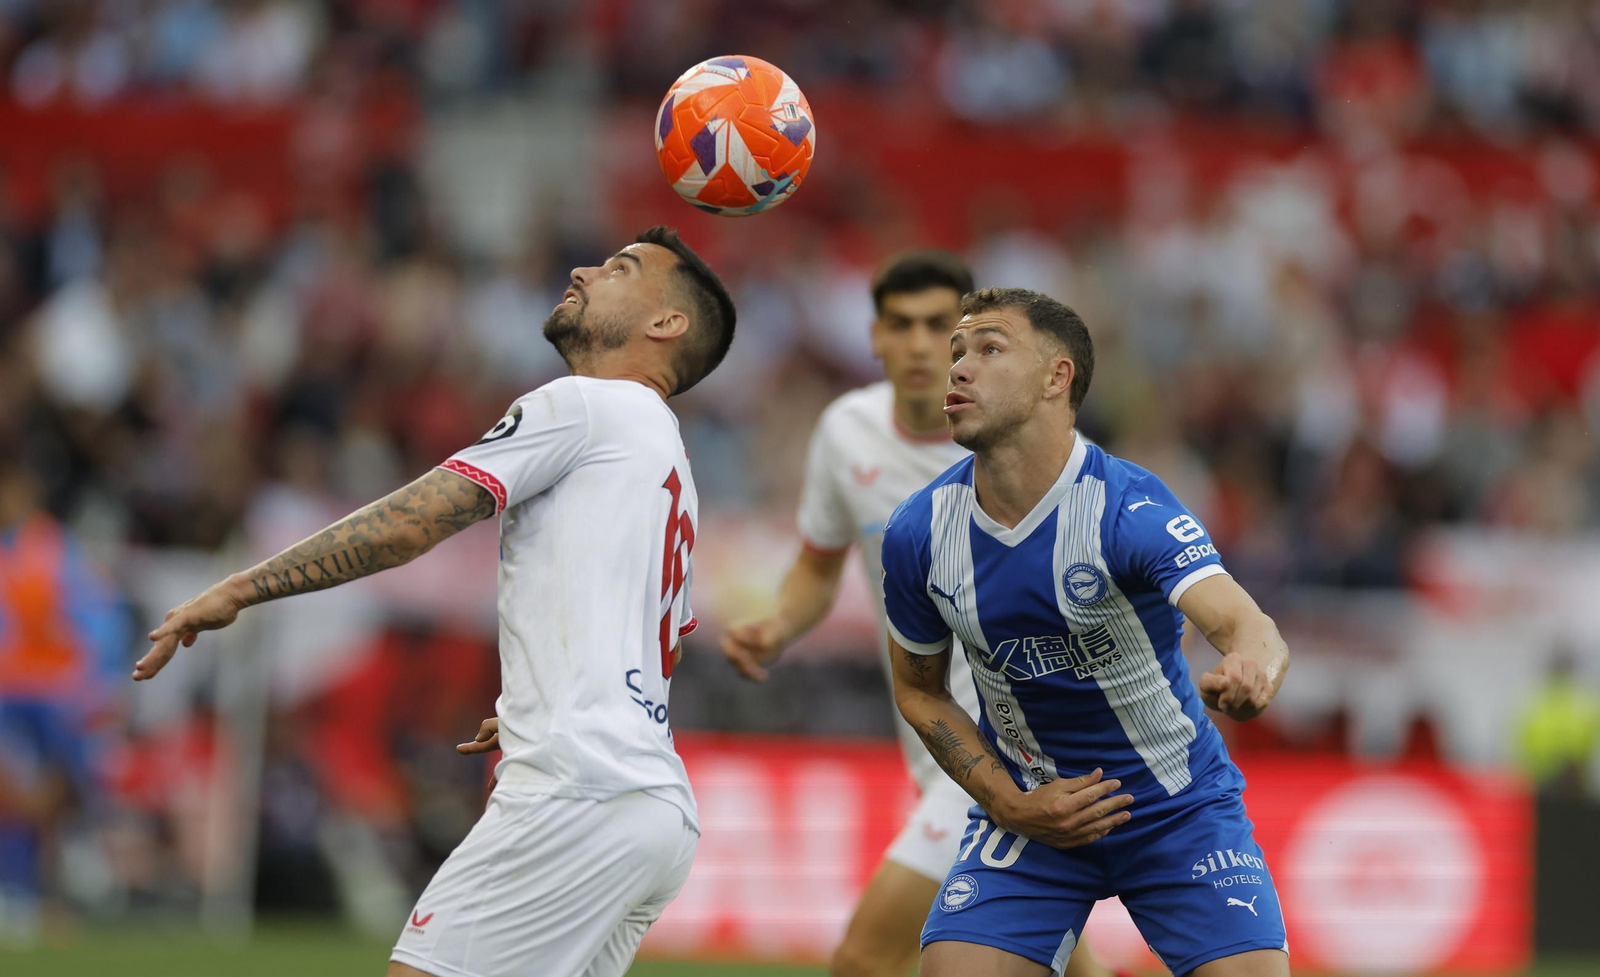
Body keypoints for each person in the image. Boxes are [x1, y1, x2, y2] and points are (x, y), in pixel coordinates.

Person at [132, 227, 737, 977]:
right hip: (652, 806)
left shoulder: (585, 406)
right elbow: (647, 643)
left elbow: (414, 522)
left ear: (666, 323)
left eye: (619, 269)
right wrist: (535, 698)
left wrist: (241, 587)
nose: (582, 269)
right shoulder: (667, 454)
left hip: (577, 791)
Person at [721, 254, 1123, 977]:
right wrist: (777, 625)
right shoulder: (847, 432)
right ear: (873, 336)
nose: (919, 344)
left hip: (1017, 750)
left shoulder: (1030, 448)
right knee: (1063, 960)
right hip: (937, 744)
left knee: (867, 957)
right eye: (900, 325)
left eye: (941, 326)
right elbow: (818, 565)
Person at [882, 287, 1292, 977]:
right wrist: (1007, 800)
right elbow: (919, 690)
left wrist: (1252, 670)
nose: (957, 366)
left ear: (1056, 376)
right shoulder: (919, 532)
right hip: (1030, 818)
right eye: (958, 351)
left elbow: (1247, 624)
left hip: (1177, 811)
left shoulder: (1127, 508)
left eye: (988, 348)